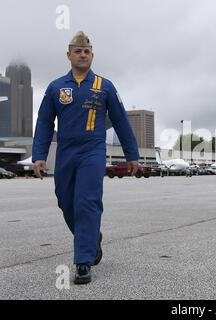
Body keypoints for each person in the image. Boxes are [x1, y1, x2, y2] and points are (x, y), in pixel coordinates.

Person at [32, 31, 140, 285]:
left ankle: (83, 262)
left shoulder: (105, 86)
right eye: (78, 51)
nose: (83, 55)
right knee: (65, 201)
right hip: (66, 150)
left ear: (92, 55)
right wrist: (39, 155)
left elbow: (123, 123)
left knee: (86, 202)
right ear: (68, 55)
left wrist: (131, 154)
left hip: (93, 149)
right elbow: (45, 122)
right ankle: (92, 238)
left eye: (87, 51)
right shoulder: (56, 87)